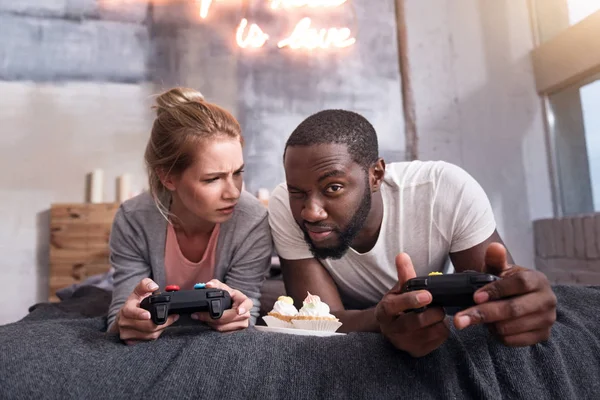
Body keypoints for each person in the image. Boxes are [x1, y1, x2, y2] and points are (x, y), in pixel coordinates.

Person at [268, 109, 557, 357]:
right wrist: (382, 319)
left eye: (333, 187)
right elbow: (319, 320)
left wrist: (514, 304)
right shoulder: (284, 202)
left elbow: (493, 301)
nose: (310, 212)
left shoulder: (444, 190)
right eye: (299, 193)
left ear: (376, 175)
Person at [107, 87, 273, 344]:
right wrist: (129, 322)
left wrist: (238, 315)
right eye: (212, 179)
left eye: (238, 173)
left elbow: (247, 313)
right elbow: (120, 315)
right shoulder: (133, 219)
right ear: (167, 177)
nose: (233, 192)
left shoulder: (253, 221)